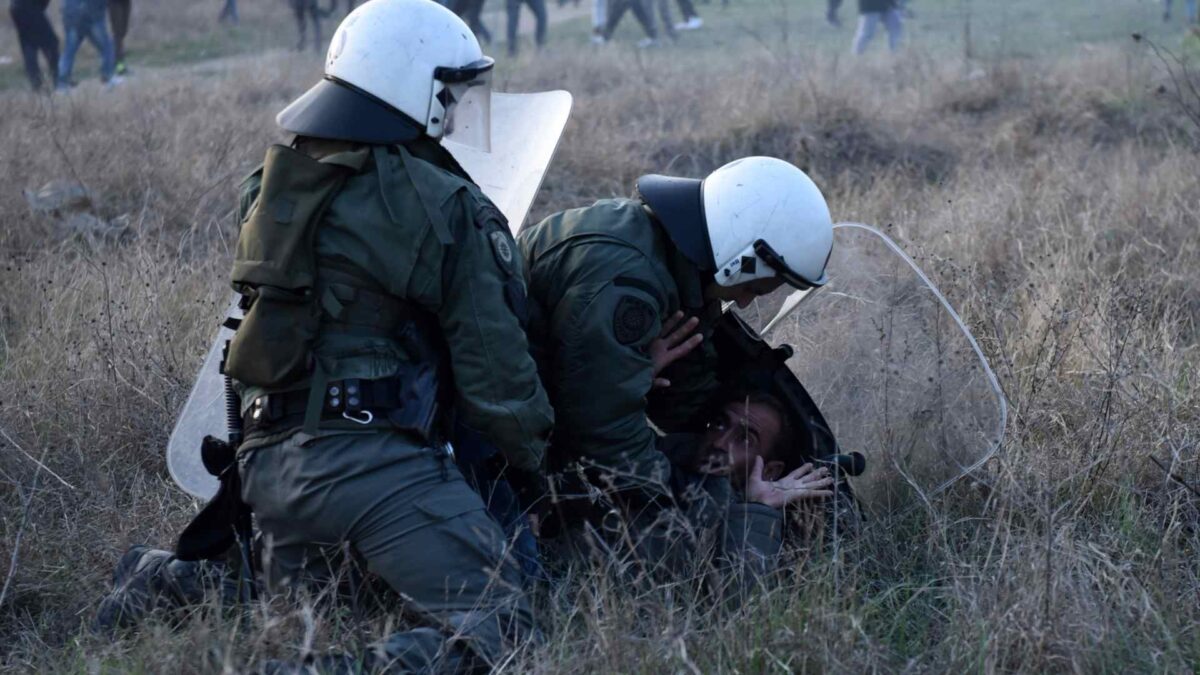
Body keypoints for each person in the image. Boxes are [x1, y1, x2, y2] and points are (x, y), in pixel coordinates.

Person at [98, 2, 554, 672]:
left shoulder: (279, 184)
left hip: (267, 471)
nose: (457, 112)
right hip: (370, 464)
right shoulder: (442, 203)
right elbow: (497, 376)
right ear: (408, 86)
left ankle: (168, 579)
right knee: (505, 625)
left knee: (340, 599)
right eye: (450, 94)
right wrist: (540, 465)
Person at [519, 156, 837, 578]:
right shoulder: (626, 280)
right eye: (754, 287)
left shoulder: (675, 261)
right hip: (493, 432)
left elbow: (688, 392)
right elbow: (604, 436)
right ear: (738, 254)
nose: (743, 303)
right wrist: (723, 509)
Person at [57, 0, 118, 88]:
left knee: (69, 51)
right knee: (107, 46)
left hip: (71, 15)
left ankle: (62, 82)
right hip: (92, 15)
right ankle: (108, 75)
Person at [8, 0, 59, 91]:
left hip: (17, 8)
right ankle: (58, 78)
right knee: (51, 43)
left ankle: (36, 83)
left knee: (29, 45)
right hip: (30, 7)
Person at [107, 0, 130, 74]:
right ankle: (119, 65)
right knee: (117, 33)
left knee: (123, 31)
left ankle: (114, 60)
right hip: (114, 2)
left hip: (126, 2)